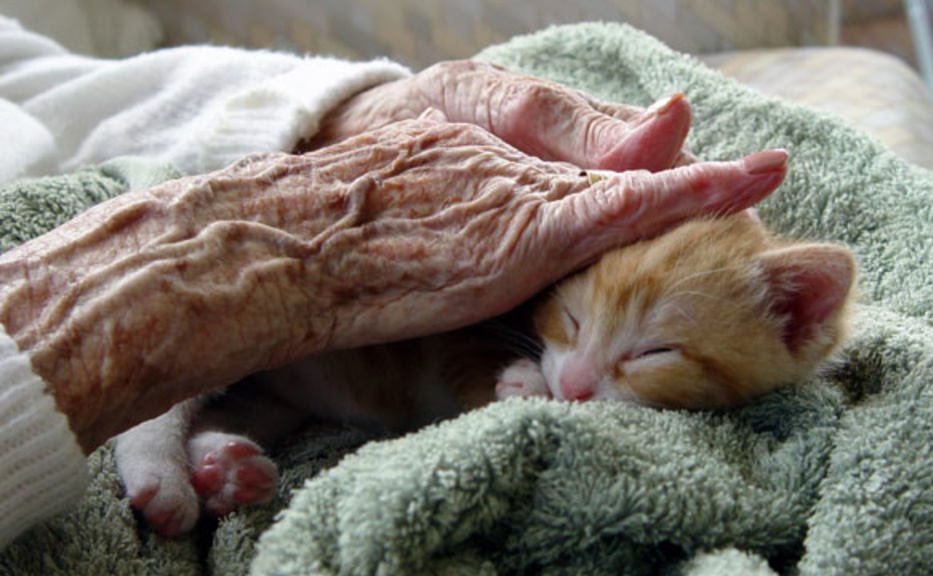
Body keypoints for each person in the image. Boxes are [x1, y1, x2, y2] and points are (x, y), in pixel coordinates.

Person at [0, 14, 788, 549]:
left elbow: (49, 81)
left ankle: (230, 427)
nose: (576, 378)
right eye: (577, 332)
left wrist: (340, 109)